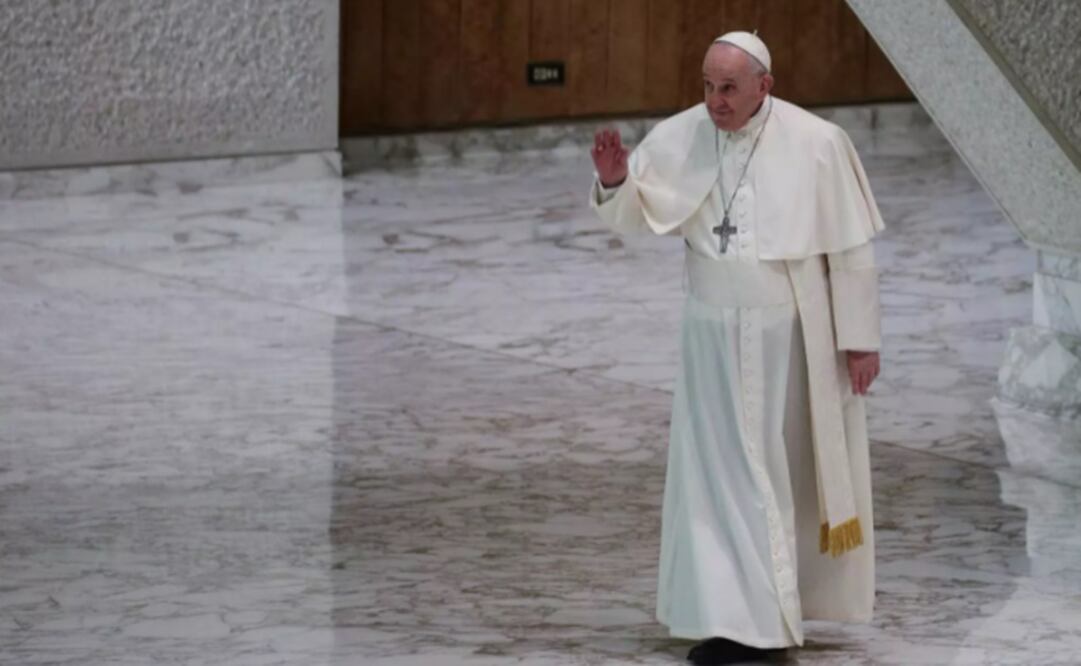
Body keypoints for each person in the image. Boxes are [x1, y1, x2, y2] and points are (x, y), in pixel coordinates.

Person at [589, 32, 884, 666]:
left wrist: (859, 341)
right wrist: (616, 183)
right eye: (707, 85)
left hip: (788, 335)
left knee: (766, 471)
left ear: (763, 87)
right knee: (713, 476)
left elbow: (853, 253)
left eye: (728, 88)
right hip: (708, 334)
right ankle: (730, 618)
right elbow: (640, 214)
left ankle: (765, 622)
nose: (714, 101)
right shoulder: (683, 135)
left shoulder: (817, 143)